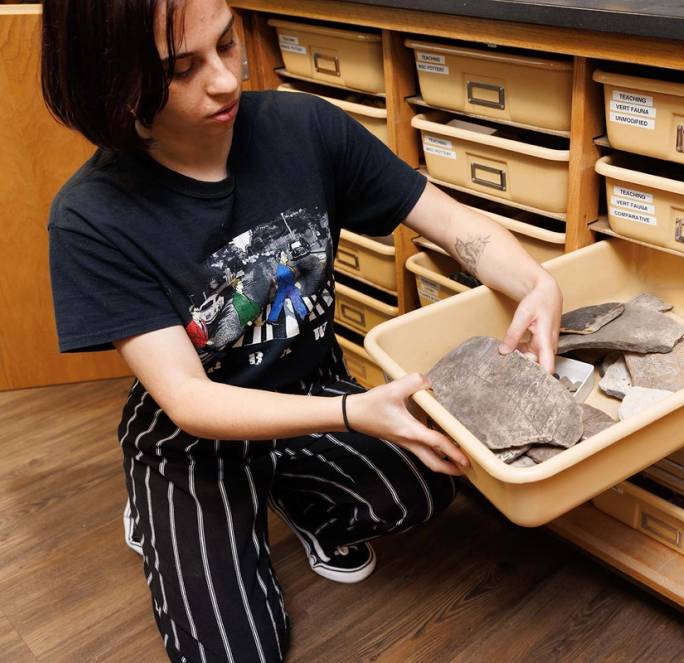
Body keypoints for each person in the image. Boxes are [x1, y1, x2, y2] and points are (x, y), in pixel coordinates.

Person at [40, 0, 563, 660]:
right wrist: (354, 411)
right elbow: (189, 399)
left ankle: (299, 501)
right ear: (114, 81)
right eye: (183, 68)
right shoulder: (90, 218)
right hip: (191, 430)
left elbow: (456, 226)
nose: (228, 79)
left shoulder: (305, 128)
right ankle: (160, 511)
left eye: (228, 45)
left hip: (310, 386)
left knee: (429, 481)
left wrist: (537, 283)